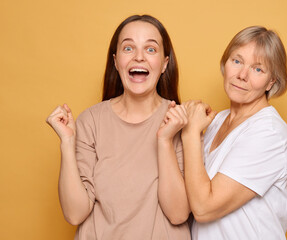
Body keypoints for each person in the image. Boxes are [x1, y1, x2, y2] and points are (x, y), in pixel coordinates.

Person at [46, 15, 190, 240]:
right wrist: (67, 143)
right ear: (115, 61)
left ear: (164, 63)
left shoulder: (181, 122)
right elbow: (75, 214)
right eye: (128, 48)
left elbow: (178, 214)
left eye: (150, 49)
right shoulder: (90, 121)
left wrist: (165, 141)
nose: (139, 57)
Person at [181, 26, 287, 239]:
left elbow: (204, 207)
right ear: (225, 63)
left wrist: (190, 133)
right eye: (237, 61)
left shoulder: (269, 133)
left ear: (272, 82)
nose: (242, 75)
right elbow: (191, 192)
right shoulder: (217, 121)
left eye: (258, 69)